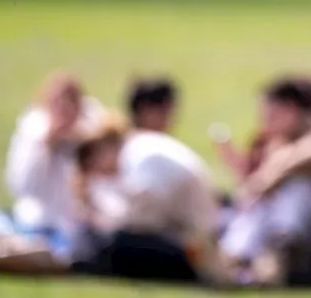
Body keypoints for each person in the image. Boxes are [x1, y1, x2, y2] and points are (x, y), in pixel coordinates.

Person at [217, 75, 311, 286]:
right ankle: (233, 258)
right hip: (289, 234)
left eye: (271, 114)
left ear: (291, 110)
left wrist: (260, 185)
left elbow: (299, 160)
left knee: (299, 188)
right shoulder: (281, 142)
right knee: (263, 201)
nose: (265, 122)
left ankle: (272, 257)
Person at [68, 112, 225, 284]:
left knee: (116, 242)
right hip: (190, 237)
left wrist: (103, 218)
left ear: (103, 147)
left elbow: (144, 221)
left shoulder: (137, 155)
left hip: (195, 246)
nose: (100, 173)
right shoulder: (140, 146)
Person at [4, 71, 105, 260]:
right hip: (42, 220)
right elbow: (23, 187)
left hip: (82, 221)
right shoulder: (33, 132)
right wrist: (48, 145)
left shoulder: (93, 132)